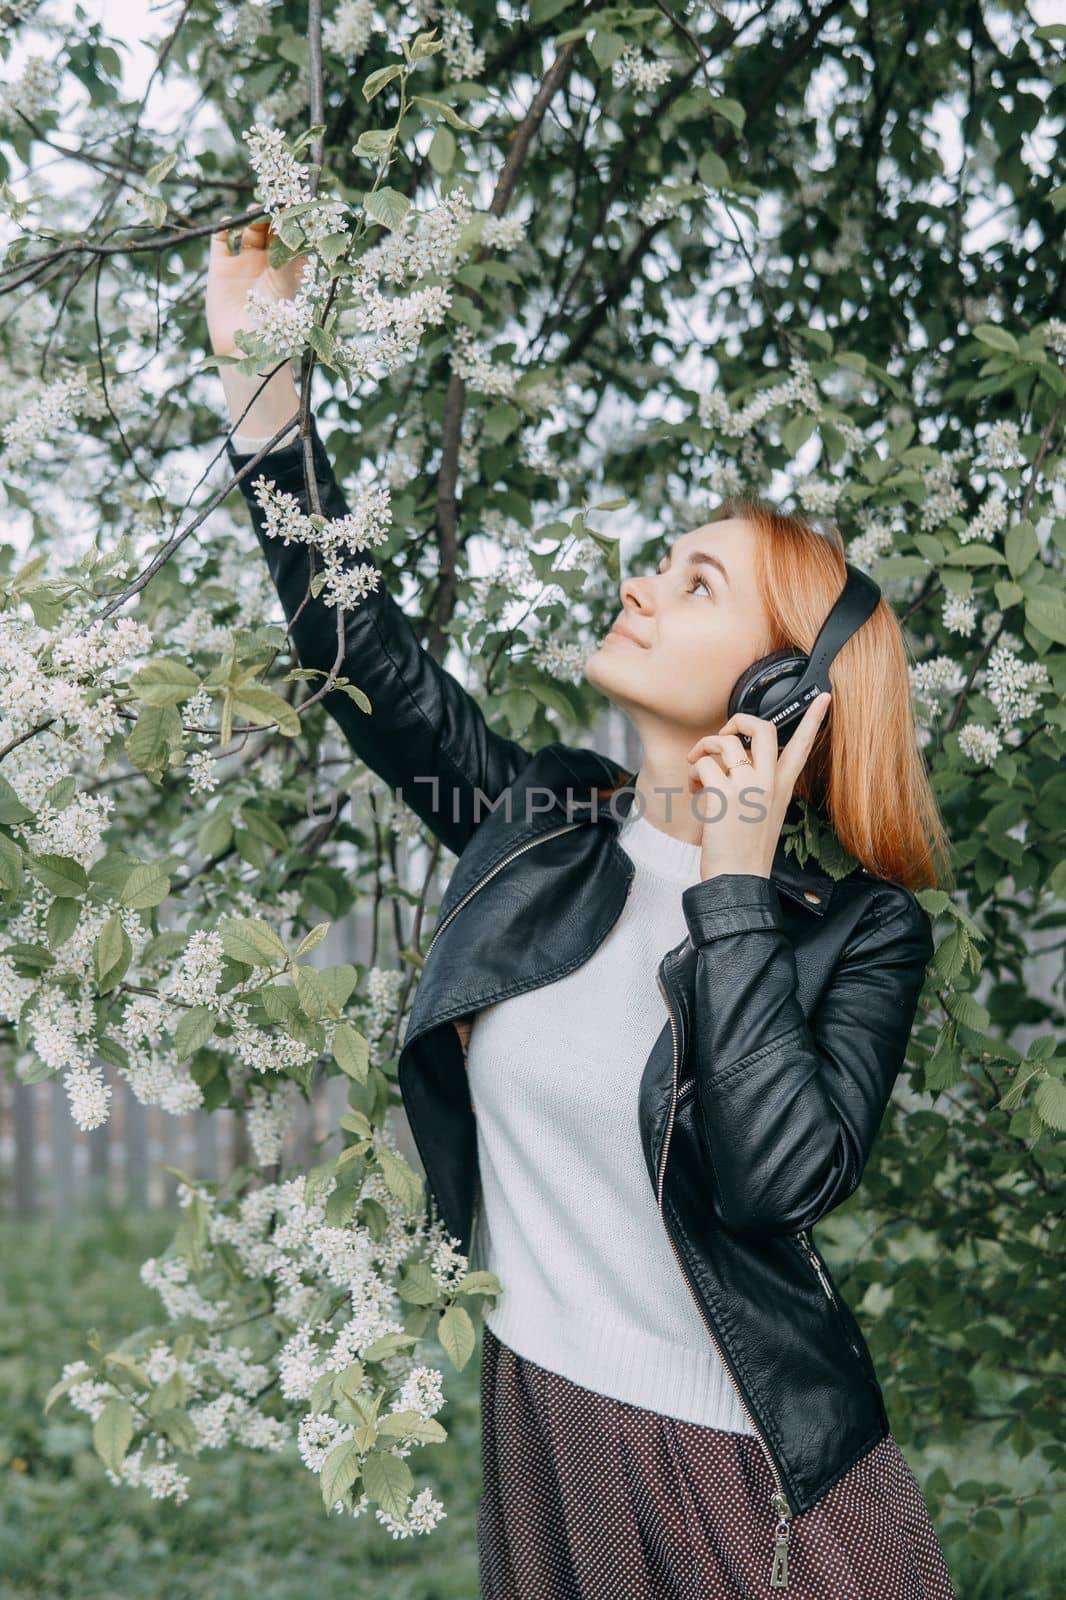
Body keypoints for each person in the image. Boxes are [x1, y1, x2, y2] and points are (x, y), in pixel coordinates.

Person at [205, 221, 957, 1599]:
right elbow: (354, 649)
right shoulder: (540, 823)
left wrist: (730, 885)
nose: (640, 584)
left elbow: (778, 1180)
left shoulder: (854, 932)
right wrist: (264, 383)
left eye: (695, 584)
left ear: (785, 685)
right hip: (544, 1424)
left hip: (749, 1475)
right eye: (659, 560)